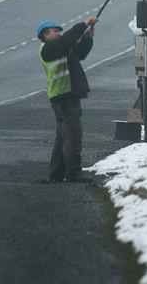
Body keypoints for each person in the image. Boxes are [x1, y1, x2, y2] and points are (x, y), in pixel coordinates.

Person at [37, 16, 98, 183]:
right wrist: (83, 25)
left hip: (66, 97)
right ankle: (73, 174)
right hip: (63, 98)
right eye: (54, 32)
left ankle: (56, 174)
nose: (57, 34)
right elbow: (67, 40)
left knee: (63, 138)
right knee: (72, 137)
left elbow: (79, 53)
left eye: (58, 31)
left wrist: (87, 38)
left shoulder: (60, 48)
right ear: (44, 35)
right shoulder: (48, 49)